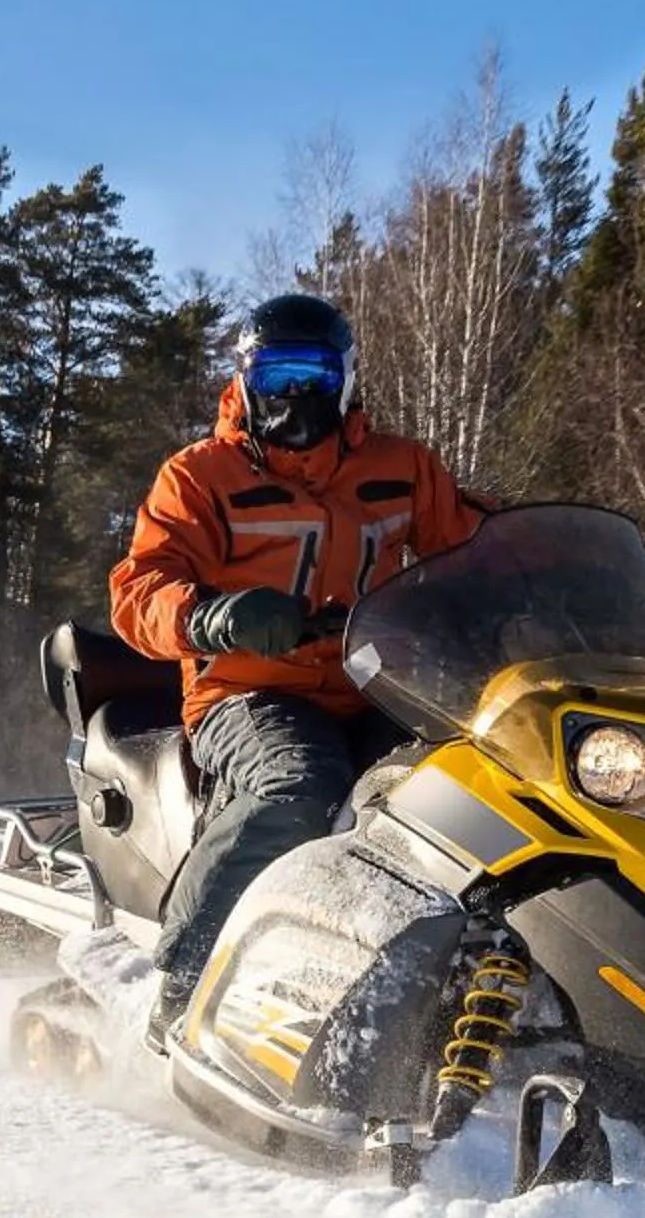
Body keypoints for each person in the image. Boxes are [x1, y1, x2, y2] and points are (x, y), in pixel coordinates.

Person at [108, 293, 486, 1040]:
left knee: (466, 790)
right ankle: (184, 981)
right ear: (247, 381)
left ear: (344, 380)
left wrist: (554, 575)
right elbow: (138, 591)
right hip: (246, 691)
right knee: (300, 786)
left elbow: (473, 548)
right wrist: (213, 615)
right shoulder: (199, 477)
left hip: (378, 684)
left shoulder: (402, 468)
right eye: (276, 374)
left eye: (311, 374)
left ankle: (462, 982)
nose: (294, 396)